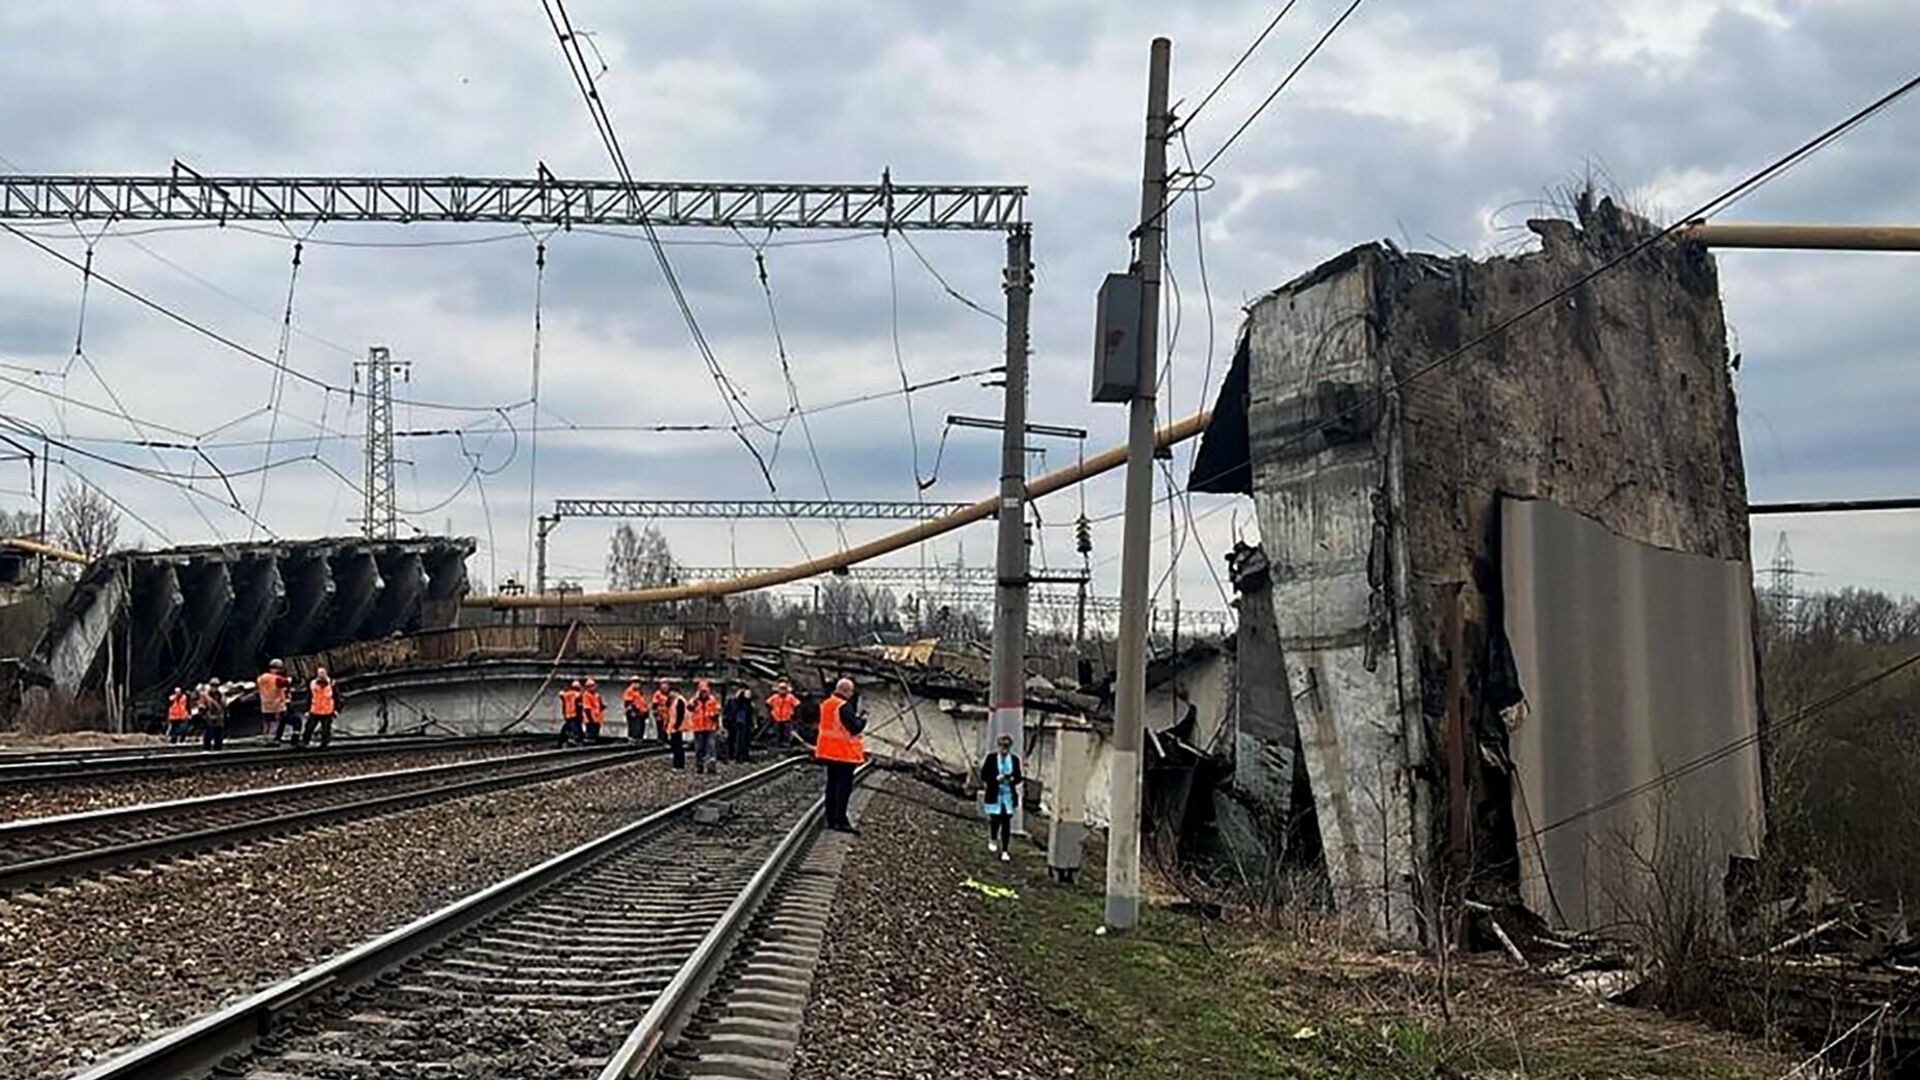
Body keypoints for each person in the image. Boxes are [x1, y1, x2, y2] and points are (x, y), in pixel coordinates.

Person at [814, 677, 865, 833]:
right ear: (845, 690)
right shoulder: (843, 706)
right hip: (843, 753)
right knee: (843, 788)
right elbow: (854, 728)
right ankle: (840, 820)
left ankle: (831, 819)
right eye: (850, 691)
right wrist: (863, 720)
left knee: (831, 786)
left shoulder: (826, 704)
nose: (851, 694)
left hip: (828, 751)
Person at [979, 732, 1023, 861]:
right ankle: (993, 838)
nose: (1004, 750)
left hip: (1008, 794)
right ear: (998, 747)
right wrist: (995, 778)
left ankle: (1005, 849)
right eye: (1002, 747)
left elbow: (1019, 777)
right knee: (995, 818)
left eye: (1006, 748)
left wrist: (1013, 779)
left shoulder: (1014, 760)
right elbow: (984, 775)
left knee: (1006, 822)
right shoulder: (991, 758)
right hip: (995, 793)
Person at [687, 678, 720, 775]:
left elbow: (717, 710)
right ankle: (699, 766)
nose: (704, 693)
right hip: (698, 728)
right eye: (702, 691)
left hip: (709, 727)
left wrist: (715, 717)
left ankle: (711, 767)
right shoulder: (695, 700)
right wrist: (695, 698)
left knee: (711, 747)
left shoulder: (712, 700)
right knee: (699, 748)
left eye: (705, 691)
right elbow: (689, 707)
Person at [300, 668, 338, 748]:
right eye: (320, 674)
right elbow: (309, 697)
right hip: (315, 710)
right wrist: (307, 710)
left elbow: (336, 697)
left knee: (326, 730)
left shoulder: (332, 684)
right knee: (309, 728)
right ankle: (305, 742)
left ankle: (324, 744)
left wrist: (336, 709)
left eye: (323, 674)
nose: (322, 676)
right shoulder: (313, 684)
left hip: (327, 711)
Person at [257, 659, 293, 743]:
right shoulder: (277, 679)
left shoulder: (261, 678)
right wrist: (289, 680)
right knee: (276, 722)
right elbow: (286, 682)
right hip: (276, 705)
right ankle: (273, 739)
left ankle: (266, 738)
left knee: (267, 722)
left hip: (265, 704)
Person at [658, 678, 688, 769]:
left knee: (677, 746)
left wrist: (676, 727)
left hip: (677, 727)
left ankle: (678, 764)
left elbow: (680, 715)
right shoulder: (673, 701)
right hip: (674, 727)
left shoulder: (679, 701)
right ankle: (677, 764)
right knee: (676, 746)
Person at [723, 686, 754, 764]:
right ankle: (734, 756)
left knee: (743, 741)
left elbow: (749, 714)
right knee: (733, 741)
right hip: (734, 723)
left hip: (743, 724)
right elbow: (728, 712)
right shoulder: (732, 702)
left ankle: (742, 757)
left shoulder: (747, 703)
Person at [765, 680, 800, 749]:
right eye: (781, 689)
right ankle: (778, 743)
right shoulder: (775, 697)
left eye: (784, 689)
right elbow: (768, 703)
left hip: (787, 718)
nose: (782, 691)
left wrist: (793, 714)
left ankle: (786, 743)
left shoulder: (790, 697)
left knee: (786, 732)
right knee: (778, 732)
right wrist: (772, 712)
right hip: (777, 717)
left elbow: (797, 704)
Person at [198, 682, 227, 751]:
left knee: (218, 736)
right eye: (213, 686)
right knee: (208, 736)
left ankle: (218, 750)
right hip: (209, 718)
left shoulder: (221, 695)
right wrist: (204, 715)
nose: (214, 688)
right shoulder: (206, 696)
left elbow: (224, 706)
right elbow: (201, 707)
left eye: (216, 686)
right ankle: (206, 750)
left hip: (219, 718)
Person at [558, 679, 584, 747]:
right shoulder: (576, 694)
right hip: (574, 714)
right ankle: (574, 739)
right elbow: (580, 696)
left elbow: (561, 694)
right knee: (575, 727)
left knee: (568, 727)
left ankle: (563, 740)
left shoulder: (566, 694)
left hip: (567, 714)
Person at [621, 678, 647, 743]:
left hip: (640, 713)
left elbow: (642, 702)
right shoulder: (629, 691)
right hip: (634, 712)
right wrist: (633, 711)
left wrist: (645, 711)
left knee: (640, 727)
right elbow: (628, 702)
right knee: (634, 726)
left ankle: (638, 739)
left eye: (639, 683)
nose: (638, 685)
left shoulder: (639, 692)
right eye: (636, 683)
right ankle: (633, 740)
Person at [581, 678, 605, 743]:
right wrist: (591, 719)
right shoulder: (586, 695)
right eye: (592, 686)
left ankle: (592, 744)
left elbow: (599, 705)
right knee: (590, 734)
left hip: (597, 719)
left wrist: (602, 706)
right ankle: (588, 746)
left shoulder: (596, 695)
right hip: (590, 719)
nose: (594, 687)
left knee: (595, 734)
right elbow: (587, 709)